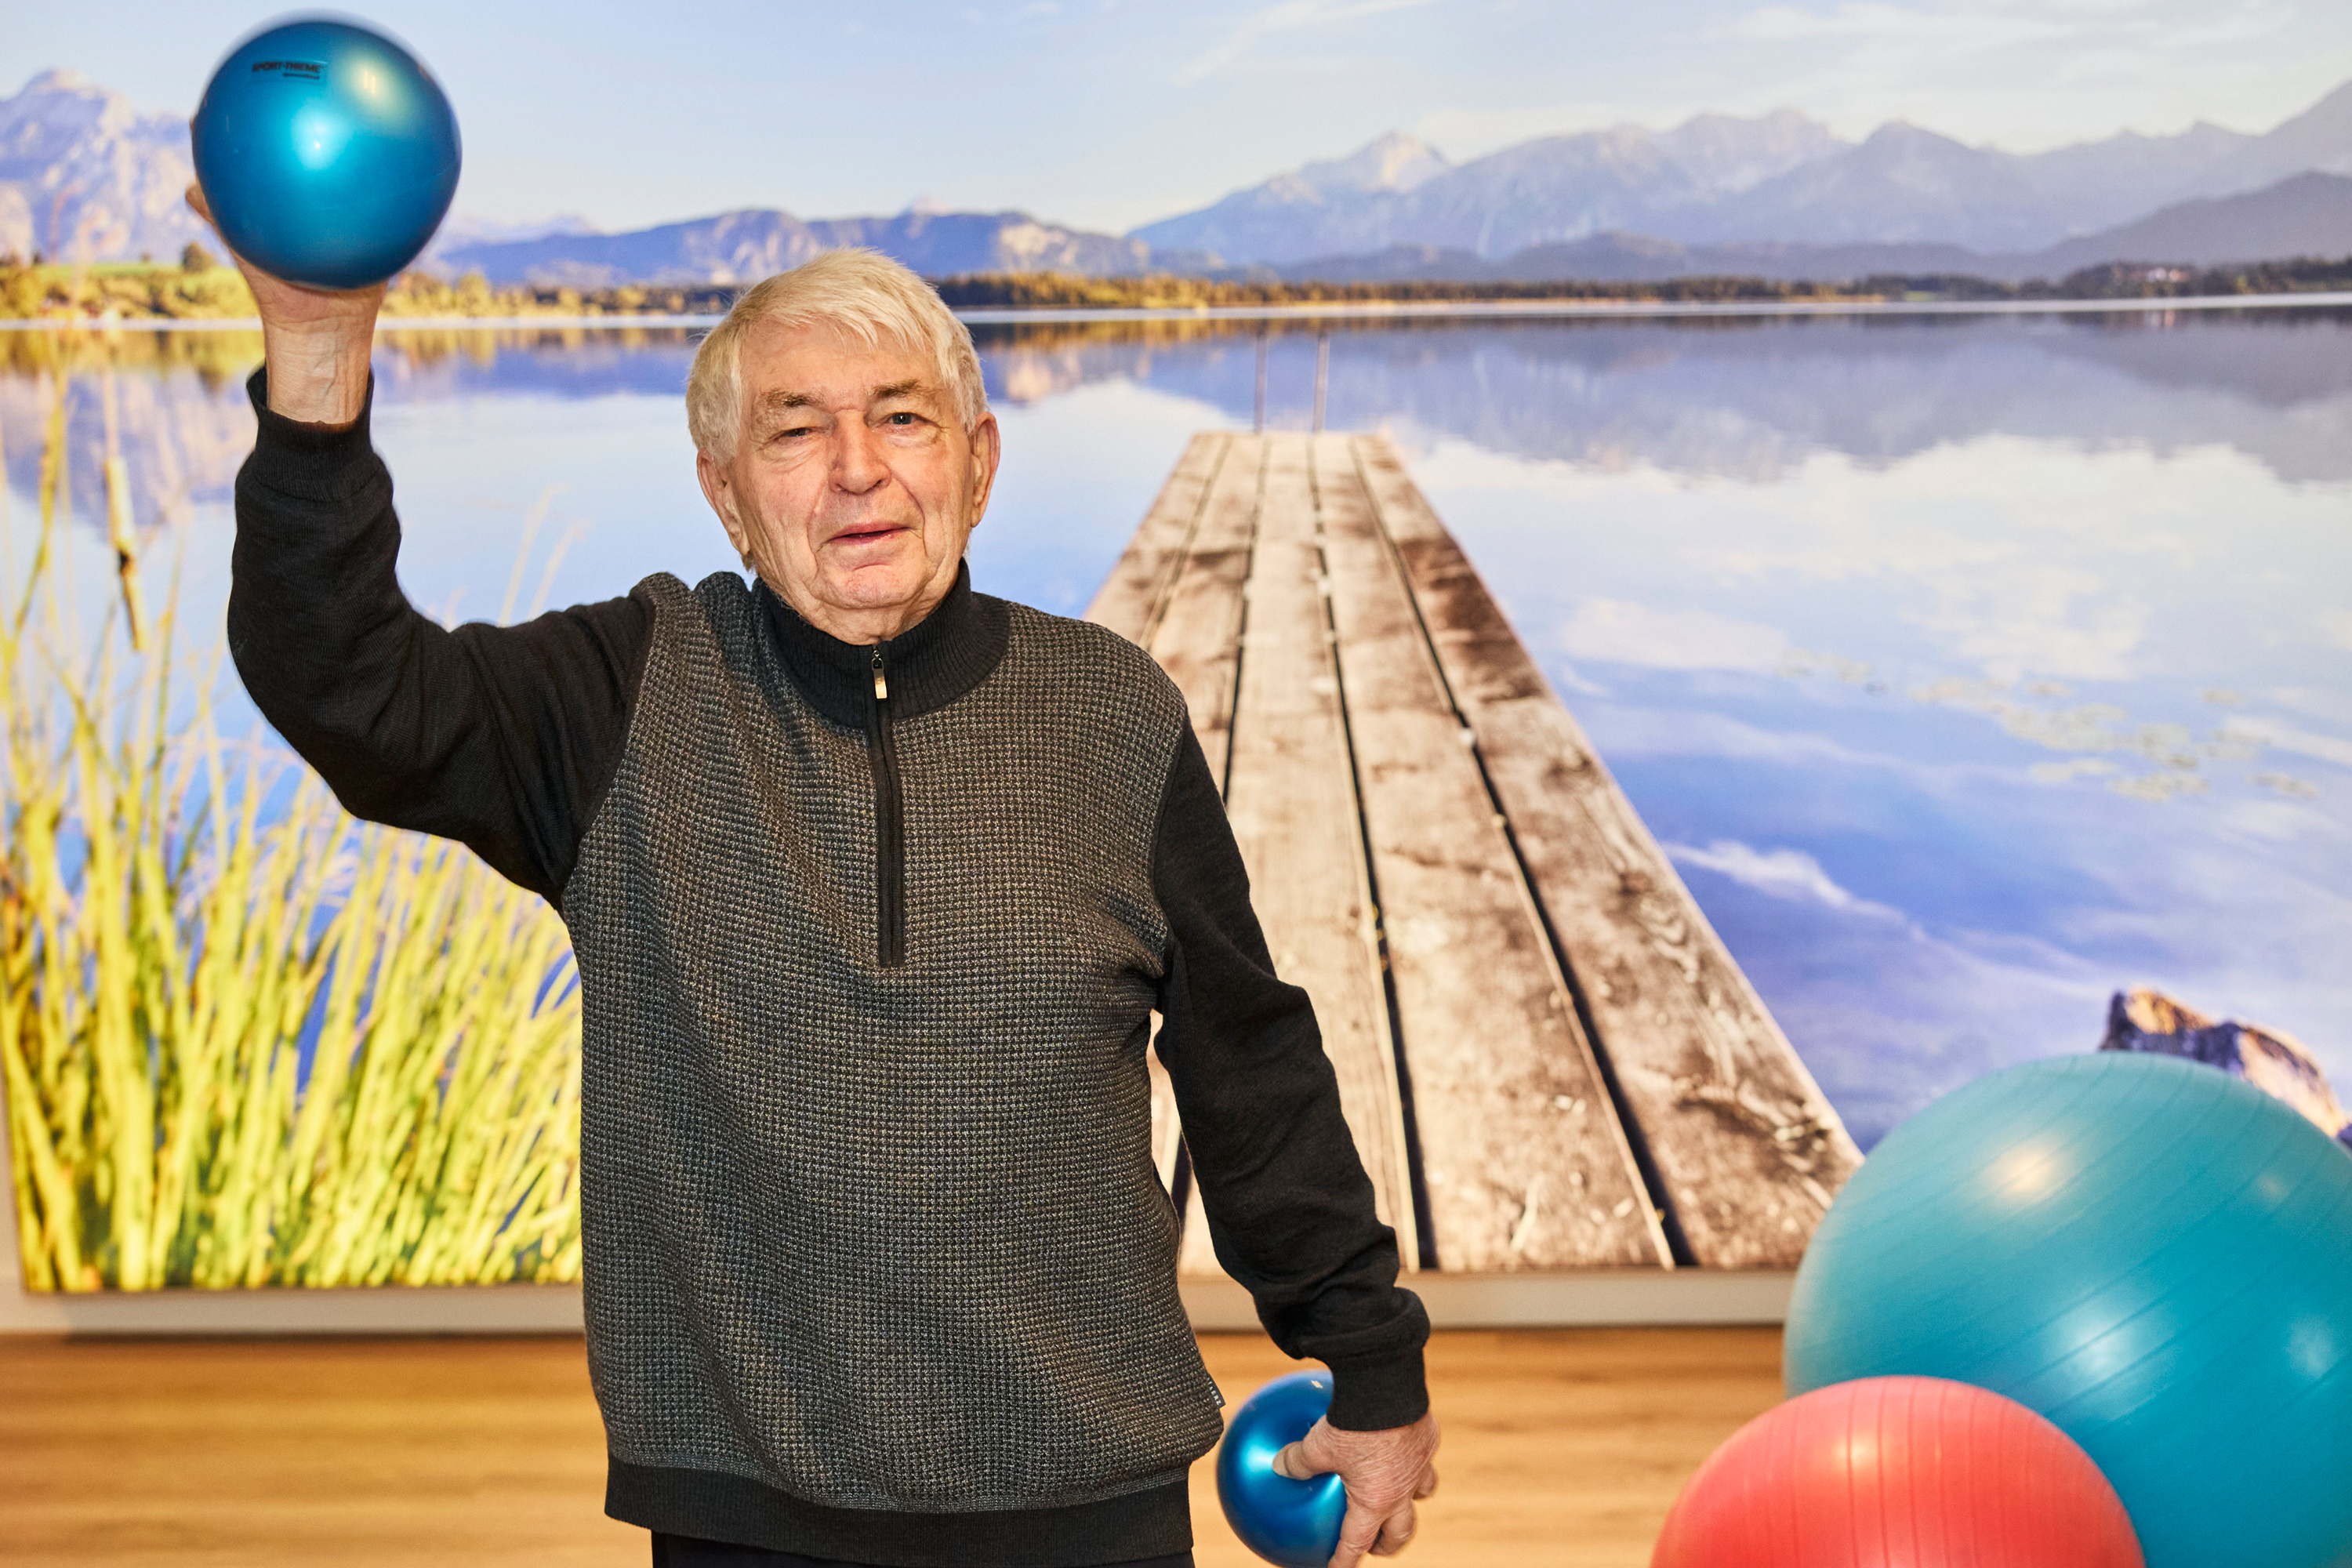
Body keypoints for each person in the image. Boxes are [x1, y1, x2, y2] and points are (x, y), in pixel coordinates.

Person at [198, 183, 1439, 1568]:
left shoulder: (1110, 712)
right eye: (796, 430)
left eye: (900, 417)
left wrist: (1368, 1358)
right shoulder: (622, 696)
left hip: (1089, 1496)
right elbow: (346, 685)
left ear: (977, 462)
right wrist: (316, 350)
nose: (857, 467)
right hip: (747, 1510)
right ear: (725, 494)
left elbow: (1247, 1063)